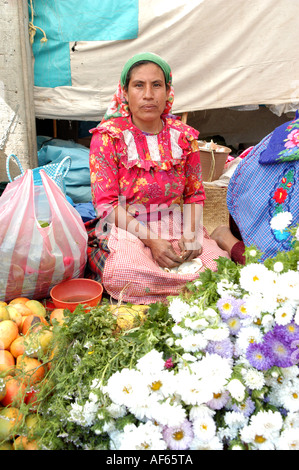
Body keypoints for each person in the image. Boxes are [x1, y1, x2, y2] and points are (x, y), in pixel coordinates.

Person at [85, 52, 229, 304]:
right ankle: (175, 291)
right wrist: (152, 241)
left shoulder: (184, 137)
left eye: (157, 85)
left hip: (175, 225)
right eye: (139, 85)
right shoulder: (108, 137)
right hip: (126, 227)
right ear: (125, 93)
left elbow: (194, 194)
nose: (148, 94)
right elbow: (106, 205)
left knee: (218, 268)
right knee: (124, 273)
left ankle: (163, 289)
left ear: (167, 92)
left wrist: (193, 234)